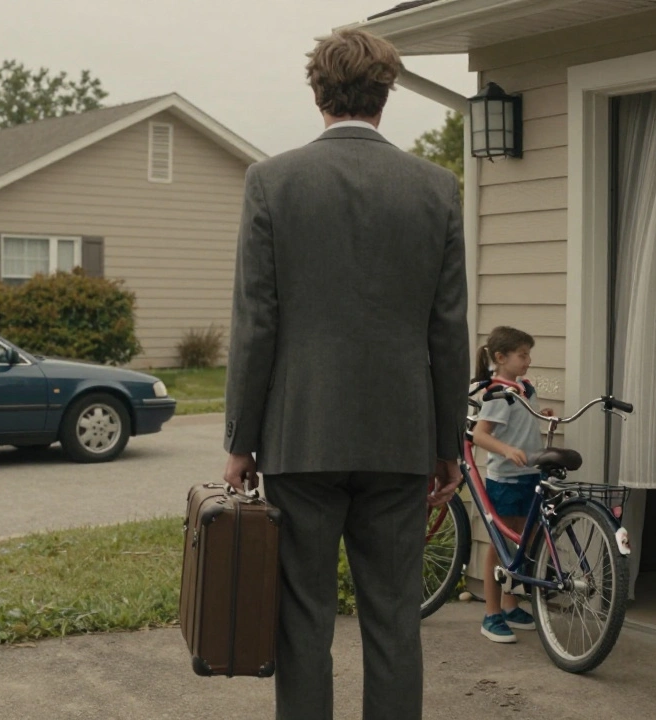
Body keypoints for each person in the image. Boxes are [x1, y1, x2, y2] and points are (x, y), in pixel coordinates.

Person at [221, 28, 469, 720]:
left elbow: (256, 323)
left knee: (303, 618)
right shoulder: (437, 188)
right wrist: (449, 443)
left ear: (318, 91)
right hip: (400, 438)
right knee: (394, 617)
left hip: (302, 435)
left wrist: (241, 439)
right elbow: (447, 330)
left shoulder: (272, 181)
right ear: (386, 93)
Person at [471, 326, 550, 644]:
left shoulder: (524, 389)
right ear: (501, 358)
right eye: (522, 355)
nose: (528, 360)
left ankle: (510, 603)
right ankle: (491, 614)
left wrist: (540, 414)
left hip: (530, 475)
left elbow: (521, 419)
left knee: (522, 543)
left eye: (529, 354)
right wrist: (506, 450)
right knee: (500, 545)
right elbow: (480, 434)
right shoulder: (496, 395)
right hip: (505, 479)